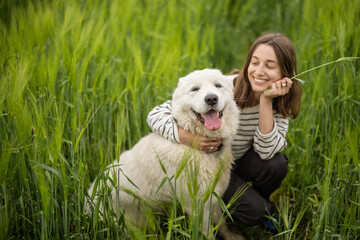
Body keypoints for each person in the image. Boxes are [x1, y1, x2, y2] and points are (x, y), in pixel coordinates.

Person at [146, 32, 302, 232]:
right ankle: (248, 208)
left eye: (270, 66)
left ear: (284, 72)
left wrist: (266, 101)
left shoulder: (281, 103)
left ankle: (254, 202)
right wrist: (188, 137)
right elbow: (156, 114)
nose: (259, 71)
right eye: (254, 63)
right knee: (254, 211)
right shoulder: (221, 86)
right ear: (247, 64)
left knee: (276, 164)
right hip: (211, 168)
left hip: (242, 163)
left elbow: (266, 152)